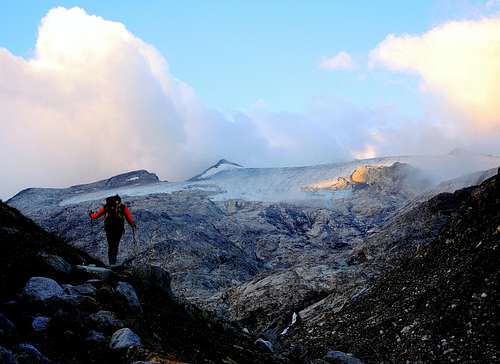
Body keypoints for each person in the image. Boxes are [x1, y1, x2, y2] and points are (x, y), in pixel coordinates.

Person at [89, 195, 136, 265]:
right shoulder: (123, 207)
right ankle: (114, 262)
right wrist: (132, 225)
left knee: (110, 246)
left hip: (109, 229)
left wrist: (91, 214)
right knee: (115, 245)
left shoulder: (106, 207)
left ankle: (111, 263)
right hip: (119, 229)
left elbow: (96, 216)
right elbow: (129, 218)